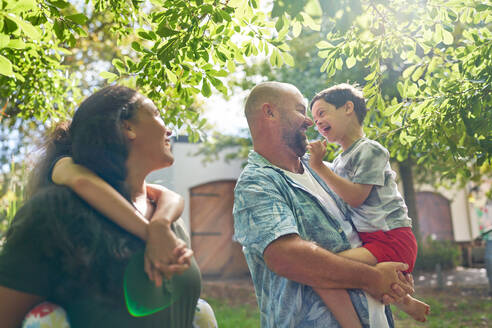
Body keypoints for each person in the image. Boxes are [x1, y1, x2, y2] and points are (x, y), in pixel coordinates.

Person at [0, 85, 214, 327]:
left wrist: (161, 225)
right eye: (155, 113)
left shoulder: (170, 219)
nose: (168, 128)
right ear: (127, 127)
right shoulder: (57, 212)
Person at [233, 81, 414, 328]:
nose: (310, 122)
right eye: (300, 110)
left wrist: (393, 279)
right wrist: (373, 277)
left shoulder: (325, 170)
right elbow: (286, 257)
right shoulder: (257, 183)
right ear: (270, 112)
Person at [307, 83, 430, 326]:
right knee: (337, 271)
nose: (317, 122)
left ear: (348, 108)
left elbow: (355, 197)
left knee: (326, 270)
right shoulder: (341, 160)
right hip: (373, 238)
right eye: (314, 118)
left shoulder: (370, 150)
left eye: (322, 113)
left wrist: (319, 167)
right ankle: (405, 301)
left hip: (391, 237)